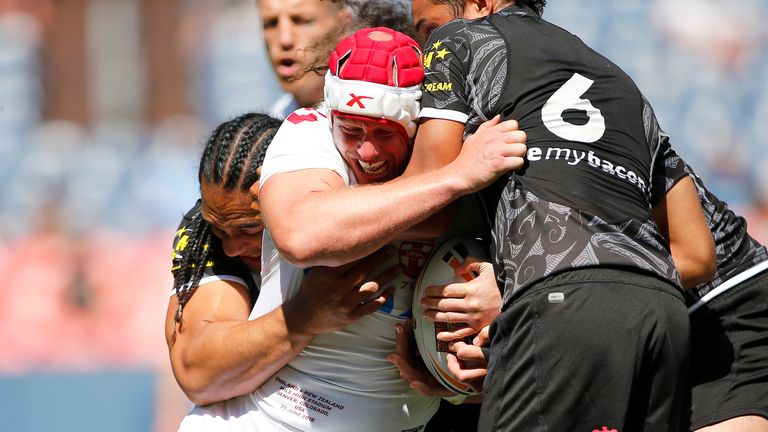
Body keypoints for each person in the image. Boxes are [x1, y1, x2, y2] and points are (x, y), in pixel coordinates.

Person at [410, 2, 768, 430]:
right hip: (662, 310)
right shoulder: (615, 78)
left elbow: (424, 201)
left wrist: (514, 288)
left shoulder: (464, 42)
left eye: (427, 31)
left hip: (725, 300)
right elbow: (688, 254)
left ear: (481, 3)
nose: (423, 52)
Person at [177, 27, 526, 431]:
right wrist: (456, 179)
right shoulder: (307, 130)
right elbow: (303, 236)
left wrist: (457, 370)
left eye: (384, 133)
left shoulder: (463, 159)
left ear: (416, 125)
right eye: (352, 130)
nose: (367, 152)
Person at [165, 112, 398, 406]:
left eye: (249, 228)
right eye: (219, 229)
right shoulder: (201, 231)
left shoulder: (341, 207)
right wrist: (303, 317)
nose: (231, 248)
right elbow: (198, 374)